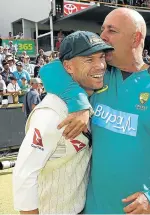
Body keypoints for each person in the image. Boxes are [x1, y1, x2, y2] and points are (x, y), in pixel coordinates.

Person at [40, 8, 150, 214]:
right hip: (92, 209)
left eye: (111, 30)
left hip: (140, 209)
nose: (102, 36)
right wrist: (79, 102)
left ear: (135, 39)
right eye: (102, 29)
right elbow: (49, 69)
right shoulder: (98, 77)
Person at [13, 31, 114, 214]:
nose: (100, 66)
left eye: (101, 57)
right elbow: (25, 175)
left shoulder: (91, 95)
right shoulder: (51, 113)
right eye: (89, 59)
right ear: (67, 66)